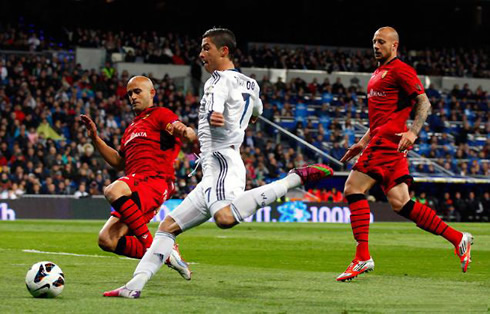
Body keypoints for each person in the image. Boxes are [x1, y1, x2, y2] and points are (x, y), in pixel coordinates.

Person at [103, 27, 333, 299]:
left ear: (224, 51)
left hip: (221, 160)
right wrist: (247, 118)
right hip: (215, 167)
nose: (201, 54)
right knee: (167, 228)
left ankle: (293, 179)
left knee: (224, 218)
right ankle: (134, 286)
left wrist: (215, 114)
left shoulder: (216, 80)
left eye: (206, 48)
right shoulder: (251, 84)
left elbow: (217, 102)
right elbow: (257, 109)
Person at [336, 27, 473, 282]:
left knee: (353, 188)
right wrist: (362, 143)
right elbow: (380, 119)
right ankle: (458, 238)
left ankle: (362, 256)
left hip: (389, 142)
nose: (376, 46)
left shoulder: (401, 70)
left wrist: (413, 131)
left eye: (382, 42)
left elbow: (424, 102)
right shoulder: (377, 73)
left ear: (395, 45)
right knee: (401, 204)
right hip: (382, 141)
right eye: (374, 41)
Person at [80, 75, 196, 280]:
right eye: (129, 94)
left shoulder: (160, 114)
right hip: (135, 186)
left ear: (152, 93)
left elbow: (181, 130)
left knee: (112, 190)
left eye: (137, 91)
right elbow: (118, 162)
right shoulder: (131, 128)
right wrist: (95, 139)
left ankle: (153, 248)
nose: (132, 97)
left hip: (155, 180)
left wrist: (185, 131)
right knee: (107, 240)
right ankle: (166, 252)